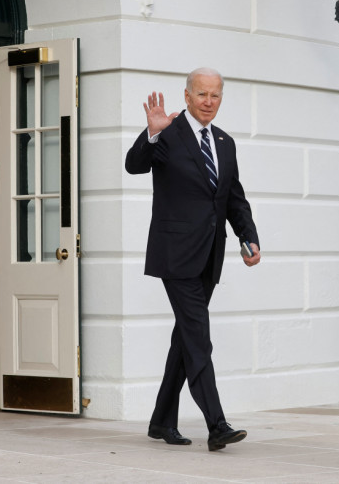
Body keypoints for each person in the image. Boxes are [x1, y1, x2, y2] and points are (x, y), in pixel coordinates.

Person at [125, 67, 261, 451]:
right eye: (201, 94)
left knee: (185, 339)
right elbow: (134, 164)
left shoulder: (224, 141)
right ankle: (216, 424)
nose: (208, 102)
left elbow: (234, 198)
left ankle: (161, 421)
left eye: (215, 95)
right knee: (199, 338)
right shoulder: (167, 132)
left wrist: (247, 237)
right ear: (186, 96)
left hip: (209, 256)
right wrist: (152, 133)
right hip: (175, 255)